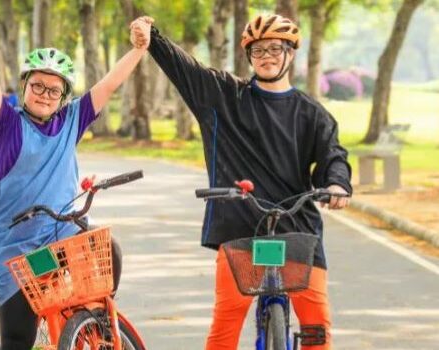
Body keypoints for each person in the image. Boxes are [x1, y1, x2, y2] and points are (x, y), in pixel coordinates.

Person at [138, 14, 352, 350]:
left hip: (297, 229)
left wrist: (338, 184)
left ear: (291, 53)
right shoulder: (223, 96)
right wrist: (152, 34)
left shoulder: (313, 114)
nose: (266, 56)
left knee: (316, 328)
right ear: (249, 56)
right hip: (239, 229)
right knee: (225, 326)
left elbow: (333, 157)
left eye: (274, 49)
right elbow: (185, 69)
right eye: (258, 50)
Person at [0, 7, 153, 349]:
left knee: (109, 247)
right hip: (18, 249)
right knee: (17, 339)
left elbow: (109, 84)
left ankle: (97, 328)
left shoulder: (71, 120)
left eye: (54, 90)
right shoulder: (6, 125)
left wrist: (139, 48)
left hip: (64, 237)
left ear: (63, 97)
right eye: (38, 85)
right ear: (25, 86)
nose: (44, 94)